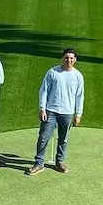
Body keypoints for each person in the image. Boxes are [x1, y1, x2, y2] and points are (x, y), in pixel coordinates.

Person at [26, 48, 84, 176]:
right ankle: (39, 163)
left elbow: (80, 96)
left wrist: (78, 114)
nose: (68, 60)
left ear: (75, 60)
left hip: (67, 112)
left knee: (63, 139)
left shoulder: (78, 76)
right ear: (62, 58)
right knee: (43, 137)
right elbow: (44, 91)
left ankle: (60, 161)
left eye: (71, 58)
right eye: (66, 57)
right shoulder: (53, 72)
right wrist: (42, 108)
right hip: (51, 110)